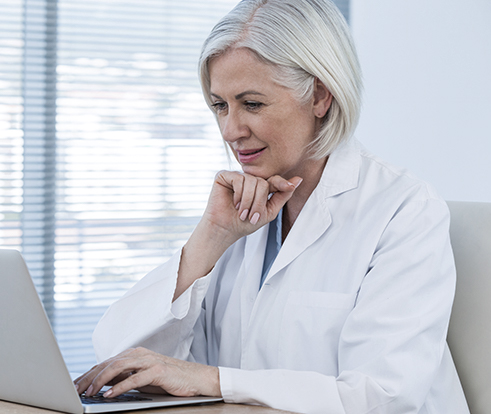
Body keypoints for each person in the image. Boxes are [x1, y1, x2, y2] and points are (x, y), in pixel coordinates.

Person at [74, 0, 470, 412]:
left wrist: (210, 379)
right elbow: (119, 364)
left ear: (319, 96)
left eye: (253, 104)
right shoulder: (238, 213)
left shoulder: (404, 210)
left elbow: (381, 397)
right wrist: (210, 238)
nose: (230, 130)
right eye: (220, 106)